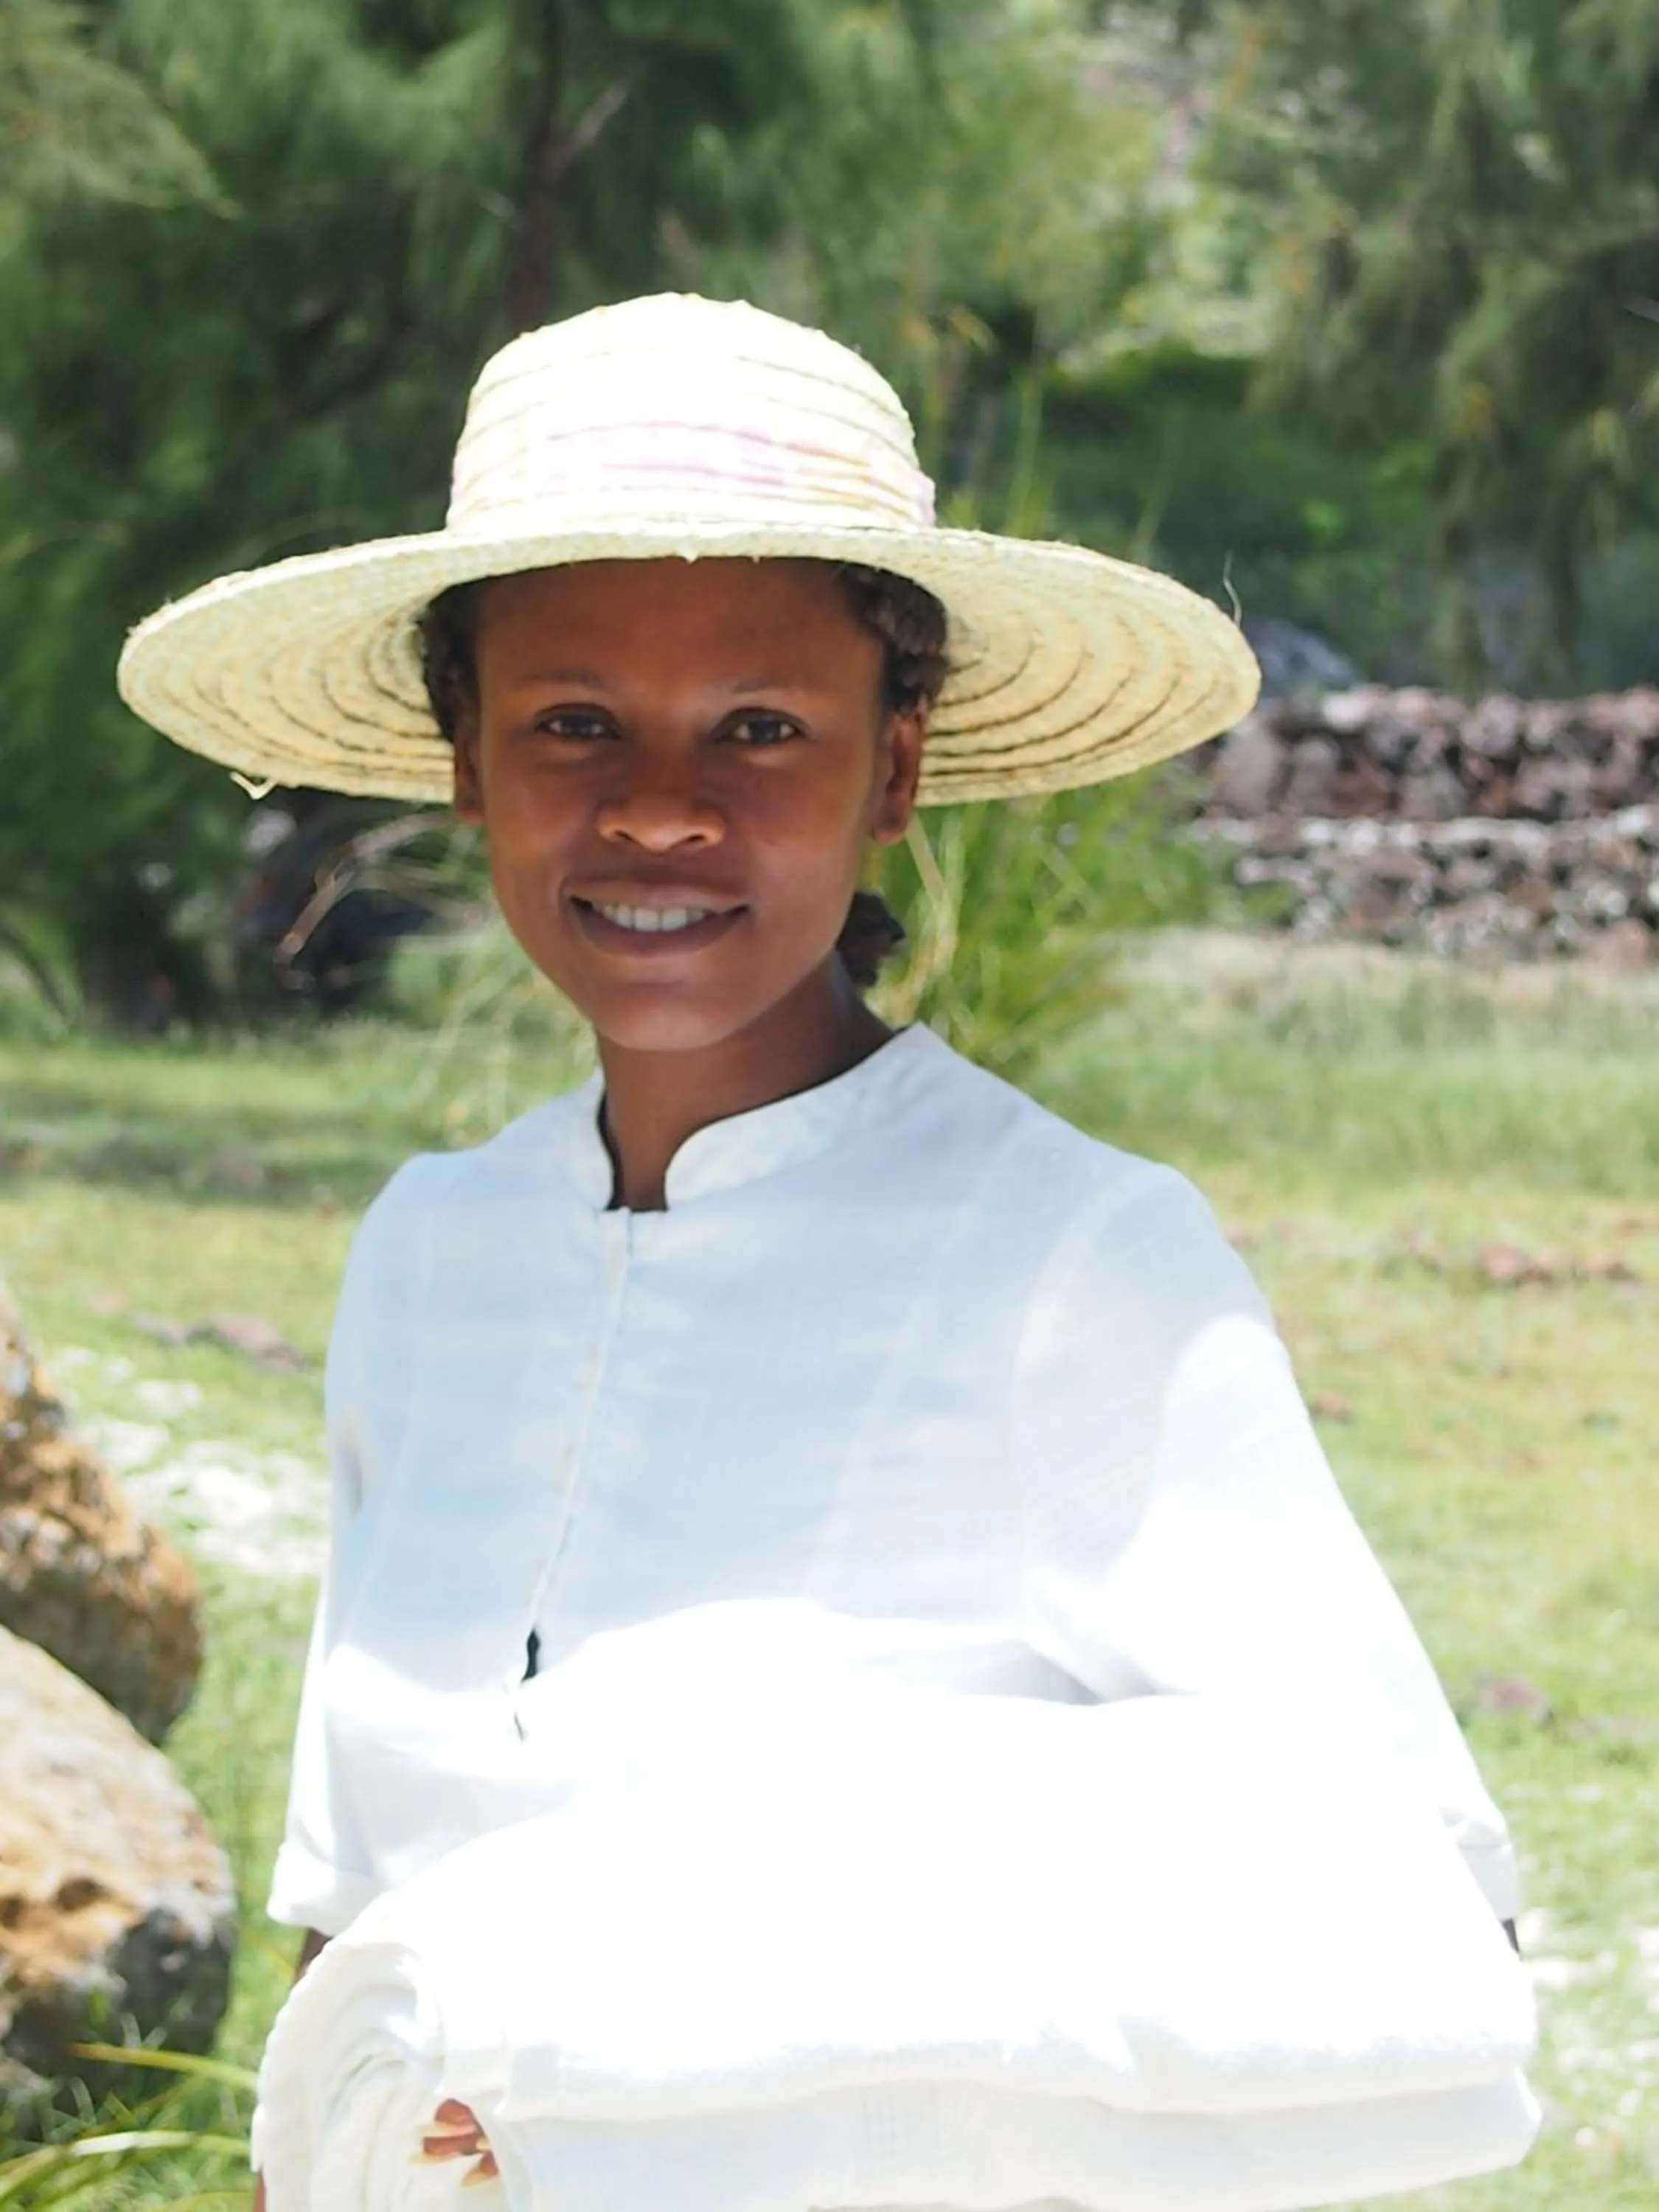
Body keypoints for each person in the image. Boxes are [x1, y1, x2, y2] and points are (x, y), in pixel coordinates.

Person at [119, 293, 1520, 2202]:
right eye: (572, 722)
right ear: (465, 762)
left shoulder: (1073, 1259)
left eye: (764, 725)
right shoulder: (427, 1258)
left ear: (897, 765)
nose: (665, 806)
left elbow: (1395, 1903)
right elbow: (357, 1927)